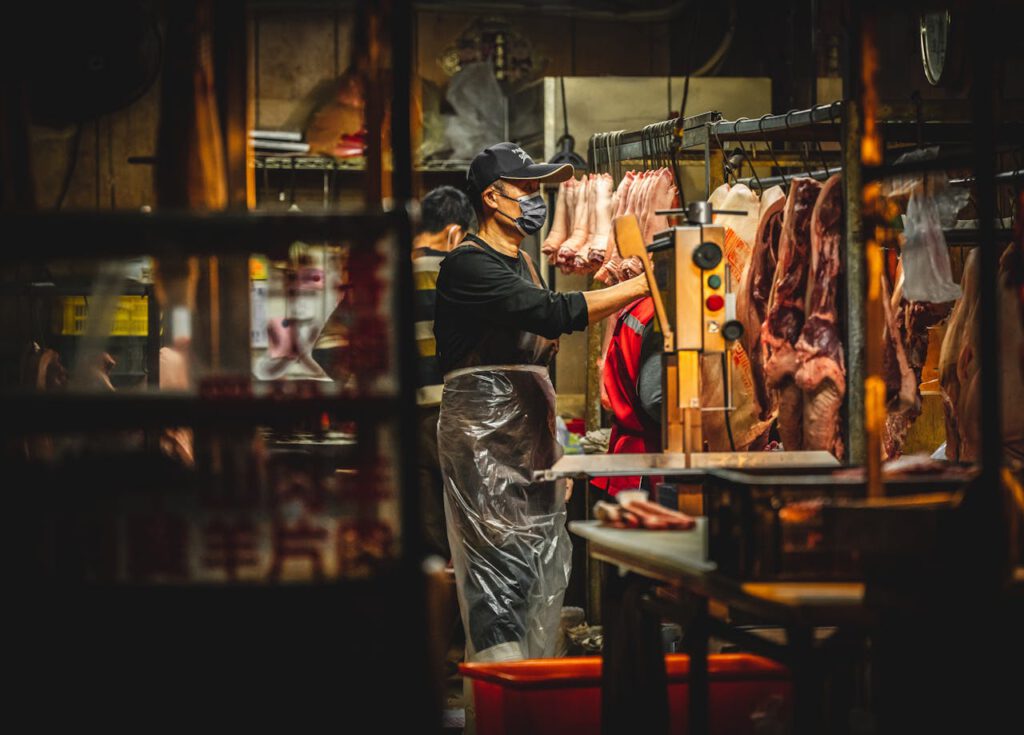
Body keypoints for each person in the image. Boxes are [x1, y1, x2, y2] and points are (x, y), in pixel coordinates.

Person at [434, 142, 650, 662]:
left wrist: (555, 449)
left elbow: (538, 365)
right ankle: (498, 699)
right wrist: (647, 284)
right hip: (484, 446)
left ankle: (533, 691)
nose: (537, 200)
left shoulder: (523, 263)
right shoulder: (468, 265)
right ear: (492, 196)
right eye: (528, 188)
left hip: (527, 442)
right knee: (494, 581)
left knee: (534, 573)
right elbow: (554, 313)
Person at [411, 185, 477, 560]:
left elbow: (329, 349)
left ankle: (430, 616)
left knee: (428, 541)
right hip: (463, 418)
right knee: (471, 536)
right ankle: (461, 617)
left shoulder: (384, 274)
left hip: (406, 423)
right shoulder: (469, 274)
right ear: (455, 232)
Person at [592, 296, 663, 497]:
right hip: (647, 461)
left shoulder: (639, 307)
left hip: (629, 455)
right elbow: (655, 399)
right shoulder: (662, 316)